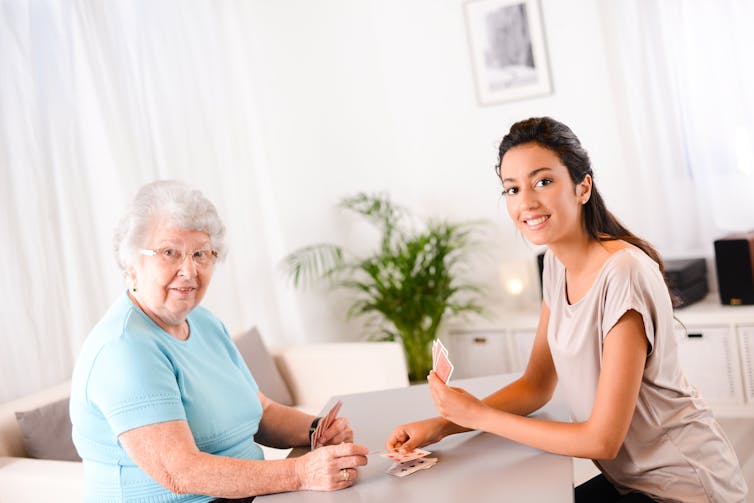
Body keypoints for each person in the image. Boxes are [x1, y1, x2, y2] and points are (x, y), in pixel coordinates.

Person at [386, 117, 748, 502]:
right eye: (512, 189)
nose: (526, 202)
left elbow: (602, 439)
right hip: (629, 482)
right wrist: (443, 424)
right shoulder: (556, 267)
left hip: (684, 486)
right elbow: (536, 385)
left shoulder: (623, 273)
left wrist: (477, 415)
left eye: (543, 181)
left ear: (582, 187)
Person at [70, 180, 368, 502]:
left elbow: (260, 411)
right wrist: (300, 473)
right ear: (131, 264)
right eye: (170, 253)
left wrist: (316, 430)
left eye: (201, 254)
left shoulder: (204, 323)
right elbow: (180, 472)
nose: (189, 270)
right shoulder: (124, 348)